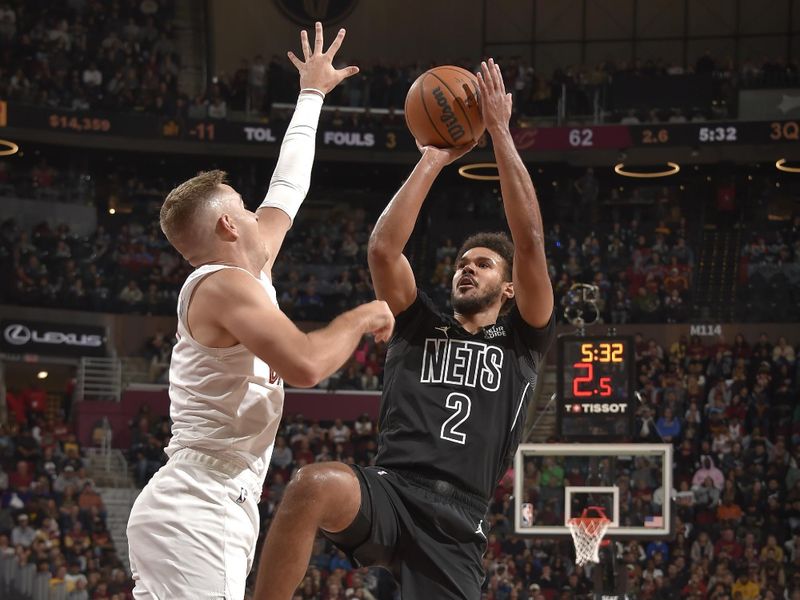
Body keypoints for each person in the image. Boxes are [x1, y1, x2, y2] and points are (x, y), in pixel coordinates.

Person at [255, 58, 555, 600]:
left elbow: (529, 241)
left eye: (484, 264)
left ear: (509, 289)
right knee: (312, 485)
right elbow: (382, 249)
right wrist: (433, 158)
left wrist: (501, 133)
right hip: (391, 490)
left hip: (458, 521)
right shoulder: (418, 325)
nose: (468, 267)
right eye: (463, 261)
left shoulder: (523, 342)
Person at [126, 23, 394, 600]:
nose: (258, 213)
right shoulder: (220, 285)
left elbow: (287, 182)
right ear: (228, 225)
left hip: (213, 502)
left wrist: (312, 95)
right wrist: (365, 315)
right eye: (245, 209)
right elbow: (304, 363)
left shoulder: (249, 269)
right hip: (199, 505)